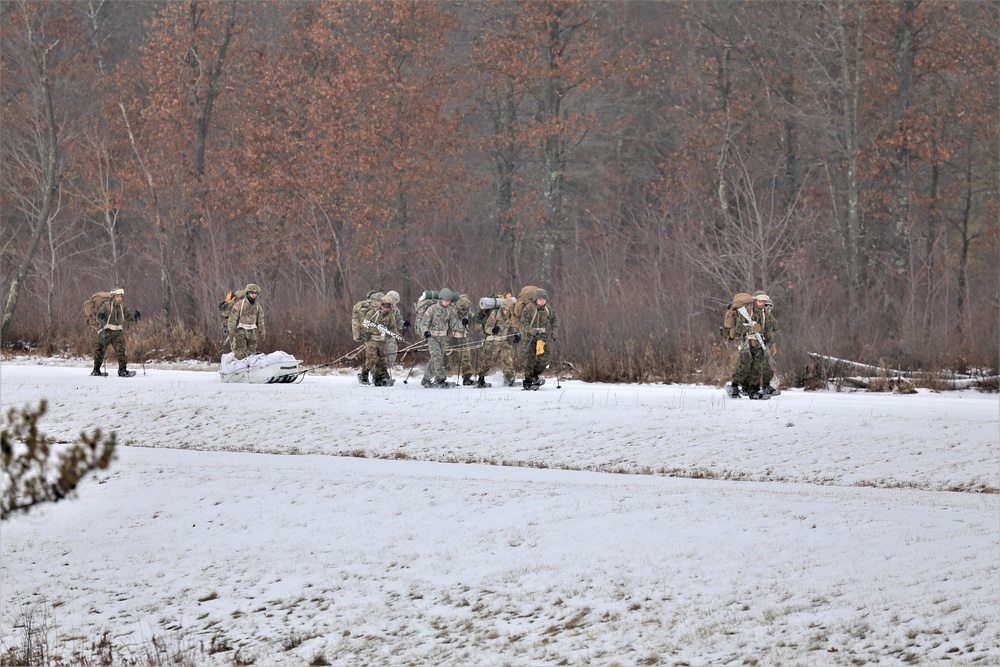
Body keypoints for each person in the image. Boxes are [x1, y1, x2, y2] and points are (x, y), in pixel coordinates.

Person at [732, 291, 778, 399]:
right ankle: (735, 385)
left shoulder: (764, 313)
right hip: (746, 342)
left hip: (759, 343)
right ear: (755, 300)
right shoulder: (746, 311)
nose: (761, 303)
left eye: (763, 301)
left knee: (758, 368)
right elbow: (738, 328)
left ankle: (754, 391)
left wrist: (772, 344)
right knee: (745, 366)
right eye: (759, 301)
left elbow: (768, 330)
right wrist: (751, 328)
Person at [417, 288, 463, 388]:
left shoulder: (451, 311)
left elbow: (454, 324)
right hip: (432, 337)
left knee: (435, 359)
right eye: (446, 300)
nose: (447, 302)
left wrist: (462, 324)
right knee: (437, 358)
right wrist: (426, 332)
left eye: (449, 301)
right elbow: (424, 323)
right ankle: (440, 380)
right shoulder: (432, 309)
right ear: (441, 299)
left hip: (443, 337)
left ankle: (426, 379)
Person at [92, 288, 139, 377]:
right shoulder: (106, 306)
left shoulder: (122, 306)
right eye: (118, 296)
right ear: (113, 297)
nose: (120, 298)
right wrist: (101, 317)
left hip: (118, 332)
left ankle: (122, 370)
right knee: (100, 351)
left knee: (121, 351)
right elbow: (98, 317)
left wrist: (135, 317)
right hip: (106, 331)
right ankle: (96, 370)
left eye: (121, 296)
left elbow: (128, 317)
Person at [519, 288, 559, 390]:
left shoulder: (547, 309)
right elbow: (523, 324)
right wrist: (530, 330)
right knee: (530, 359)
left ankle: (534, 375)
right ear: (536, 299)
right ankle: (528, 382)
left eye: (544, 300)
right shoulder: (529, 309)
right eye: (541, 299)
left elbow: (555, 320)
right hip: (530, 337)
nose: (543, 302)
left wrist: (554, 331)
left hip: (542, 336)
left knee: (546, 358)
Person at [359, 294, 402, 386]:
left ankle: (379, 378)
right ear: (381, 305)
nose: (387, 308)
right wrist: (376, 329)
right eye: (385, 306)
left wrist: (398, 335)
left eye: (389, 306)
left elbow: (392, 327)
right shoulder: (372, 313)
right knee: (372, 359)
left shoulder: (390, 315)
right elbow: (364, 326)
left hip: (382, 340)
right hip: (372, 339)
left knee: (383, 360)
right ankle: (364, 374)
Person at [477, 297, 519, 387]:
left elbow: (512, 327)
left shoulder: (511, 316)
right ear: (503, 308)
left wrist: (516, 334)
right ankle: (481, 379)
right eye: (506, 310)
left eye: (509, 310)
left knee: (507, 359)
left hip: (504, 341)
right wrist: (493, 329)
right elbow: (486, 328)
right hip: (492, 341)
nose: (507, 312)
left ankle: (508, 379)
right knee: (487, 361)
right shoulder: (495, 314)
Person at [226, 283, 266, 360]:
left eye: (255, 293)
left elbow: (260, 320)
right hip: (241, 331)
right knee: (241, 353)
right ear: (248, 293)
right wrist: (231, 331)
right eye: (252, 293)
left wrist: (262, 331)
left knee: (252, 353)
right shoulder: (239, 304)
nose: (254, 295)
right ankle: (239, 368)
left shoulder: (257, 307)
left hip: (252, 332)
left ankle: (250, 369)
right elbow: (232, 318)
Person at [450, 294, 476, 385]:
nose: (465, 311)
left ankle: (467, 378)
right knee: (445, 358)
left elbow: (475, 322)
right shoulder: (452, 312)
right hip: (451, 338)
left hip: (463, 337)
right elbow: (452, 324)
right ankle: (439, 377)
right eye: (463, 309)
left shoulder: (468, 314)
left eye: (467, 309)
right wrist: (461, 323)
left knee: (466, 358)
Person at [383, 290, 408, 370]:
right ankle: (376, 374)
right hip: (377, 334)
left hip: (390, 334)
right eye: (393, 302)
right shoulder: (380, 307)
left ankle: (385, 371)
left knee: (392, 351)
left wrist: (404, 324)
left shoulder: (395, 310)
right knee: (377, 355)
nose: (395, 304)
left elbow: (398, 321)